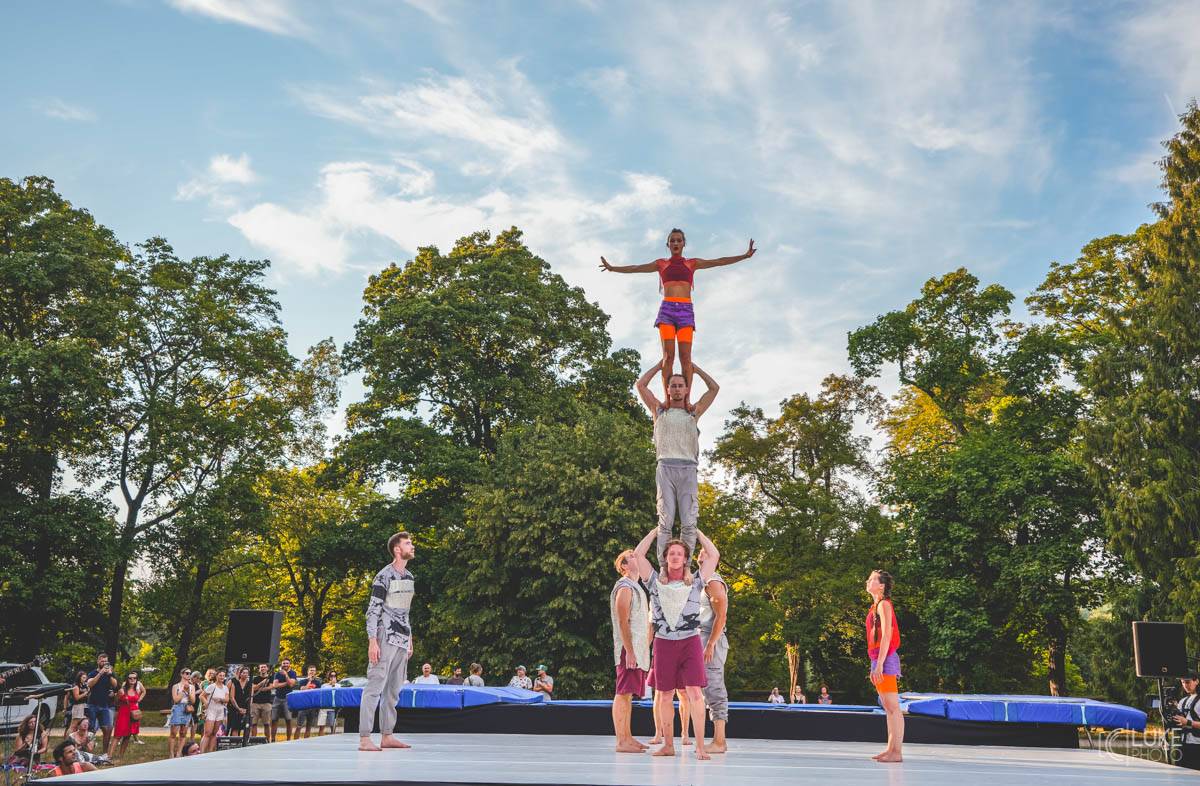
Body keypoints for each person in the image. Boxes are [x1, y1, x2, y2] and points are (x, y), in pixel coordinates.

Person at [600, 229, 756, 400]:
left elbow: (719, 261)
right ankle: (668, 399)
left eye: (679, 240)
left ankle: (686, 400)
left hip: (685, 312)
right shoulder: (661, 264)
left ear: (683, 244)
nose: (675, 243)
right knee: (668, 357)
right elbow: (636, 268)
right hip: (667, 310)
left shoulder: (692, 263)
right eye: (672, 240)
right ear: (668, 245)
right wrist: (612, 268)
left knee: (685, 358)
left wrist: (744, 256)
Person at [631, 526, 720, 760]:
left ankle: (700, 746)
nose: (675, 556)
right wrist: (654, 532)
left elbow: (714, 555)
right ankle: (668, 744)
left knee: (695, 693)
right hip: (663, 643)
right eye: (671, 553)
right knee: (665, 693)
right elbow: (637, 556)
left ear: (685, 558)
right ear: (665, 558)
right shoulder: (654, 582)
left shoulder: (697, 581)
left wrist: (697, 531)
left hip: (690, 641)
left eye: (680, 553)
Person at [635, 360, 720, 563]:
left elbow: (714, 388)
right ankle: (665, 568)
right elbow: (641, 385)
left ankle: (685, 568)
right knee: (665, 522)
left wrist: (694, 368)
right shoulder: (659, 411)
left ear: (687, 389)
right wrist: (661, 365)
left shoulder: (693, 412)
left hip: (688, 468)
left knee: (689, 524)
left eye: (681, 385)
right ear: (668, 389)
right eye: (673, 385)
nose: (677, 388)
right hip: (665, 467)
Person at [359, 530, 416, 752]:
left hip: (402, 639)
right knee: (374, 687)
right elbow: (372, 610)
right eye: (408, 543)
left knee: (394, 691)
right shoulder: (384, 576)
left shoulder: (409, 577)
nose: (412, 547)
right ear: (397, 549)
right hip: (384, 636)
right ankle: (365, 738)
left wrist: (410, 639)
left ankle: (387, 735)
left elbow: (405, 612)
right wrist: (372, 641)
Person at [610, 548, 650, 753]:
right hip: (629, 650)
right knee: (623, 692)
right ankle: (621, 741)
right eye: (631, 556)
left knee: (629, 695)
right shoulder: (625, 587)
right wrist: (630, 651)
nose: (636, 557)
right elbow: (622, 621)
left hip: (638, 650)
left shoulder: (637, 587)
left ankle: (628, 737)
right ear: (623, 566)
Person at [866, 569, 904, 763]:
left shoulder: (884, 605)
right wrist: (875, 663)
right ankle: (891, 750)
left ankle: (896, 752)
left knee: (893, 708)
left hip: (885, 658)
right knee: (888, 708)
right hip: (879, 658)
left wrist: (880, 664)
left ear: (881, 586)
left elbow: (887, 635)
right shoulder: (876, 606)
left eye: (872, 579)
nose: (868, 581)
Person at [697, 545, 730, 754]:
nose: (700, 555)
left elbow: (721, 615)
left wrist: (710, 644)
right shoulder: (701, 581)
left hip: (711, 640)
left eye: (704, 553)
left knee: (714, 688)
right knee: (703, 690)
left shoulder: (713, 581)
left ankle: (720, 741)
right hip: (701, 638)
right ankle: (715, 739)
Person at [85, 652, 118, 753]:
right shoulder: (92, 673)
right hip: (93, 705)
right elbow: (90, 684)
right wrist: (100, 673)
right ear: (98, 661)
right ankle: (88, 752)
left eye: (105, 661)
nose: (104, 663)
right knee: (91, 730)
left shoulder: (109, 674)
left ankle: (105, 753)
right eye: (102, 661)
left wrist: (110, 674)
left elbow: (115, 685)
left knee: (107, 729)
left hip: (105, 705)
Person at [108, 670, 141, 760]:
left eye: (134, 678)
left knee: (128, 736)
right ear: (127, 679)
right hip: (123, 714)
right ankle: (109, 756)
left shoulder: (136, 690)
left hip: (133, 715)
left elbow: (137, 700)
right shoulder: (122, 690)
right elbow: (115, 701)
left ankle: (121, 756)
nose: (132, 680)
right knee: (118, 735)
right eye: (130, 678)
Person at [1171, 672, 1200, 769]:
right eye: (1183, 682)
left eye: (1187, 682)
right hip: (1182, 745)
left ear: (1196, 681)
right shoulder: (1182, 701)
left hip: (1197, 746)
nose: (1185, 685)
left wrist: (1187, 722)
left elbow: (1186, 721)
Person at [168, 667, 195, 757]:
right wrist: (183, 691)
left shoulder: (192, 687)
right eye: (186, 673)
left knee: (183, 733)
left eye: (190, 673)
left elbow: (193, 701)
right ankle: (171, 753)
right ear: (182, 674)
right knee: (173, 733)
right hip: (178, 708)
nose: (188, 675)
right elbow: (176, 700)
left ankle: (179, 753)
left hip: (187, 708)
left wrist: (188, 692)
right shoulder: (176, 686)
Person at [201, 669, 229, 753]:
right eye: (220, 675)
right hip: (211, 710)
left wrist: (220, 699)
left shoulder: (225, 688)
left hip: (220, 711)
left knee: (214, 733)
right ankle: (201, 753)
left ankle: (210, 752)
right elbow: (201, 696)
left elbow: (227, 700)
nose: (222, 677)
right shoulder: (212, 686)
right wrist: (206, 703)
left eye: (223, 676)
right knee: (208, 733)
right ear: (216, 676)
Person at [270, 658, 297, 742]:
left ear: (289, 664)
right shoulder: (277, 673)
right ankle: (273, 739)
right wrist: (287, 683)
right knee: (274, 719)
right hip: (277, 698)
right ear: (282, 664)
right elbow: (275, 685)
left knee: (288, 720)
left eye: (287, 663)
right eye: (284, 663)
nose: (285, 664)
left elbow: (292, 685)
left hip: (287, 698)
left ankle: (288, 740)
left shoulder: (293, 673)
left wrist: (286, 675)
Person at [250, 663, 274, 741]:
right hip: (255, 703)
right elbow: (253, 688)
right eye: (261, 667)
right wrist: (261, 683)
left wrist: (260, 688)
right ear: (259, 669)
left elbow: (271, 687)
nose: (263, 668)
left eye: (264, 667)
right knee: (253, 724)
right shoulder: (255, 678)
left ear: (267, 668)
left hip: (266, 703)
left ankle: (267, 740)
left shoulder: (270, 677)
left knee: (266, 724)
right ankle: (253, 740)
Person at [297, 665, 322, 738]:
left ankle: (306, 742)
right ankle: (294, 742)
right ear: (308, 671)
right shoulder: (302, 681)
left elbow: (318, 694)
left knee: (309, 726)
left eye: (313, 670)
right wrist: (309, 681)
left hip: (313, 706)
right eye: (311, 670)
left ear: (315, 672)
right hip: (303, 705)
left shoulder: (318, 682)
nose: (312, 672)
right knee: (299, 726)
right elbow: (303, 689)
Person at [229, 666, 251, 738]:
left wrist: (247, 709)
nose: (245, 674)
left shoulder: (250, 684)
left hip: (245, 709)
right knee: (235, 728)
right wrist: (238, 708)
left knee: (246, 727)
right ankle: (234, 743)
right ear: (240, 674)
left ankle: (245, 744)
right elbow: (232, 697)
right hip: (235, 708)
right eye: (243, 673)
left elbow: (251, 698)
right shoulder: (234, 683)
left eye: (247, 673)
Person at [67, 671, 90, 735]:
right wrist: (85, 693)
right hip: (78, 706)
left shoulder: (84, 685)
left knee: (82, 724)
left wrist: (88, 692)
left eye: (85, 678)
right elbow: (76, 697)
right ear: (79, 677)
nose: (84, 679)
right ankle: (67, 741)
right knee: (73, 725)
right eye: (83, 677)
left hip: (84, 706)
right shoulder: (76, 686)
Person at [320, 670, 340, 735]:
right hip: (324, 707)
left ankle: (333, 737)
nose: (333, 677)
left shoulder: (338, 686)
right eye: (331, 676)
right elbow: (323, 695)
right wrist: (330, 685)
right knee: (321, 726)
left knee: (332, 726)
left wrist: (333, 685)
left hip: (333, 708)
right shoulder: (324, 686)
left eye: (334, 676)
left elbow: (338, 695)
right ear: (329, 677)